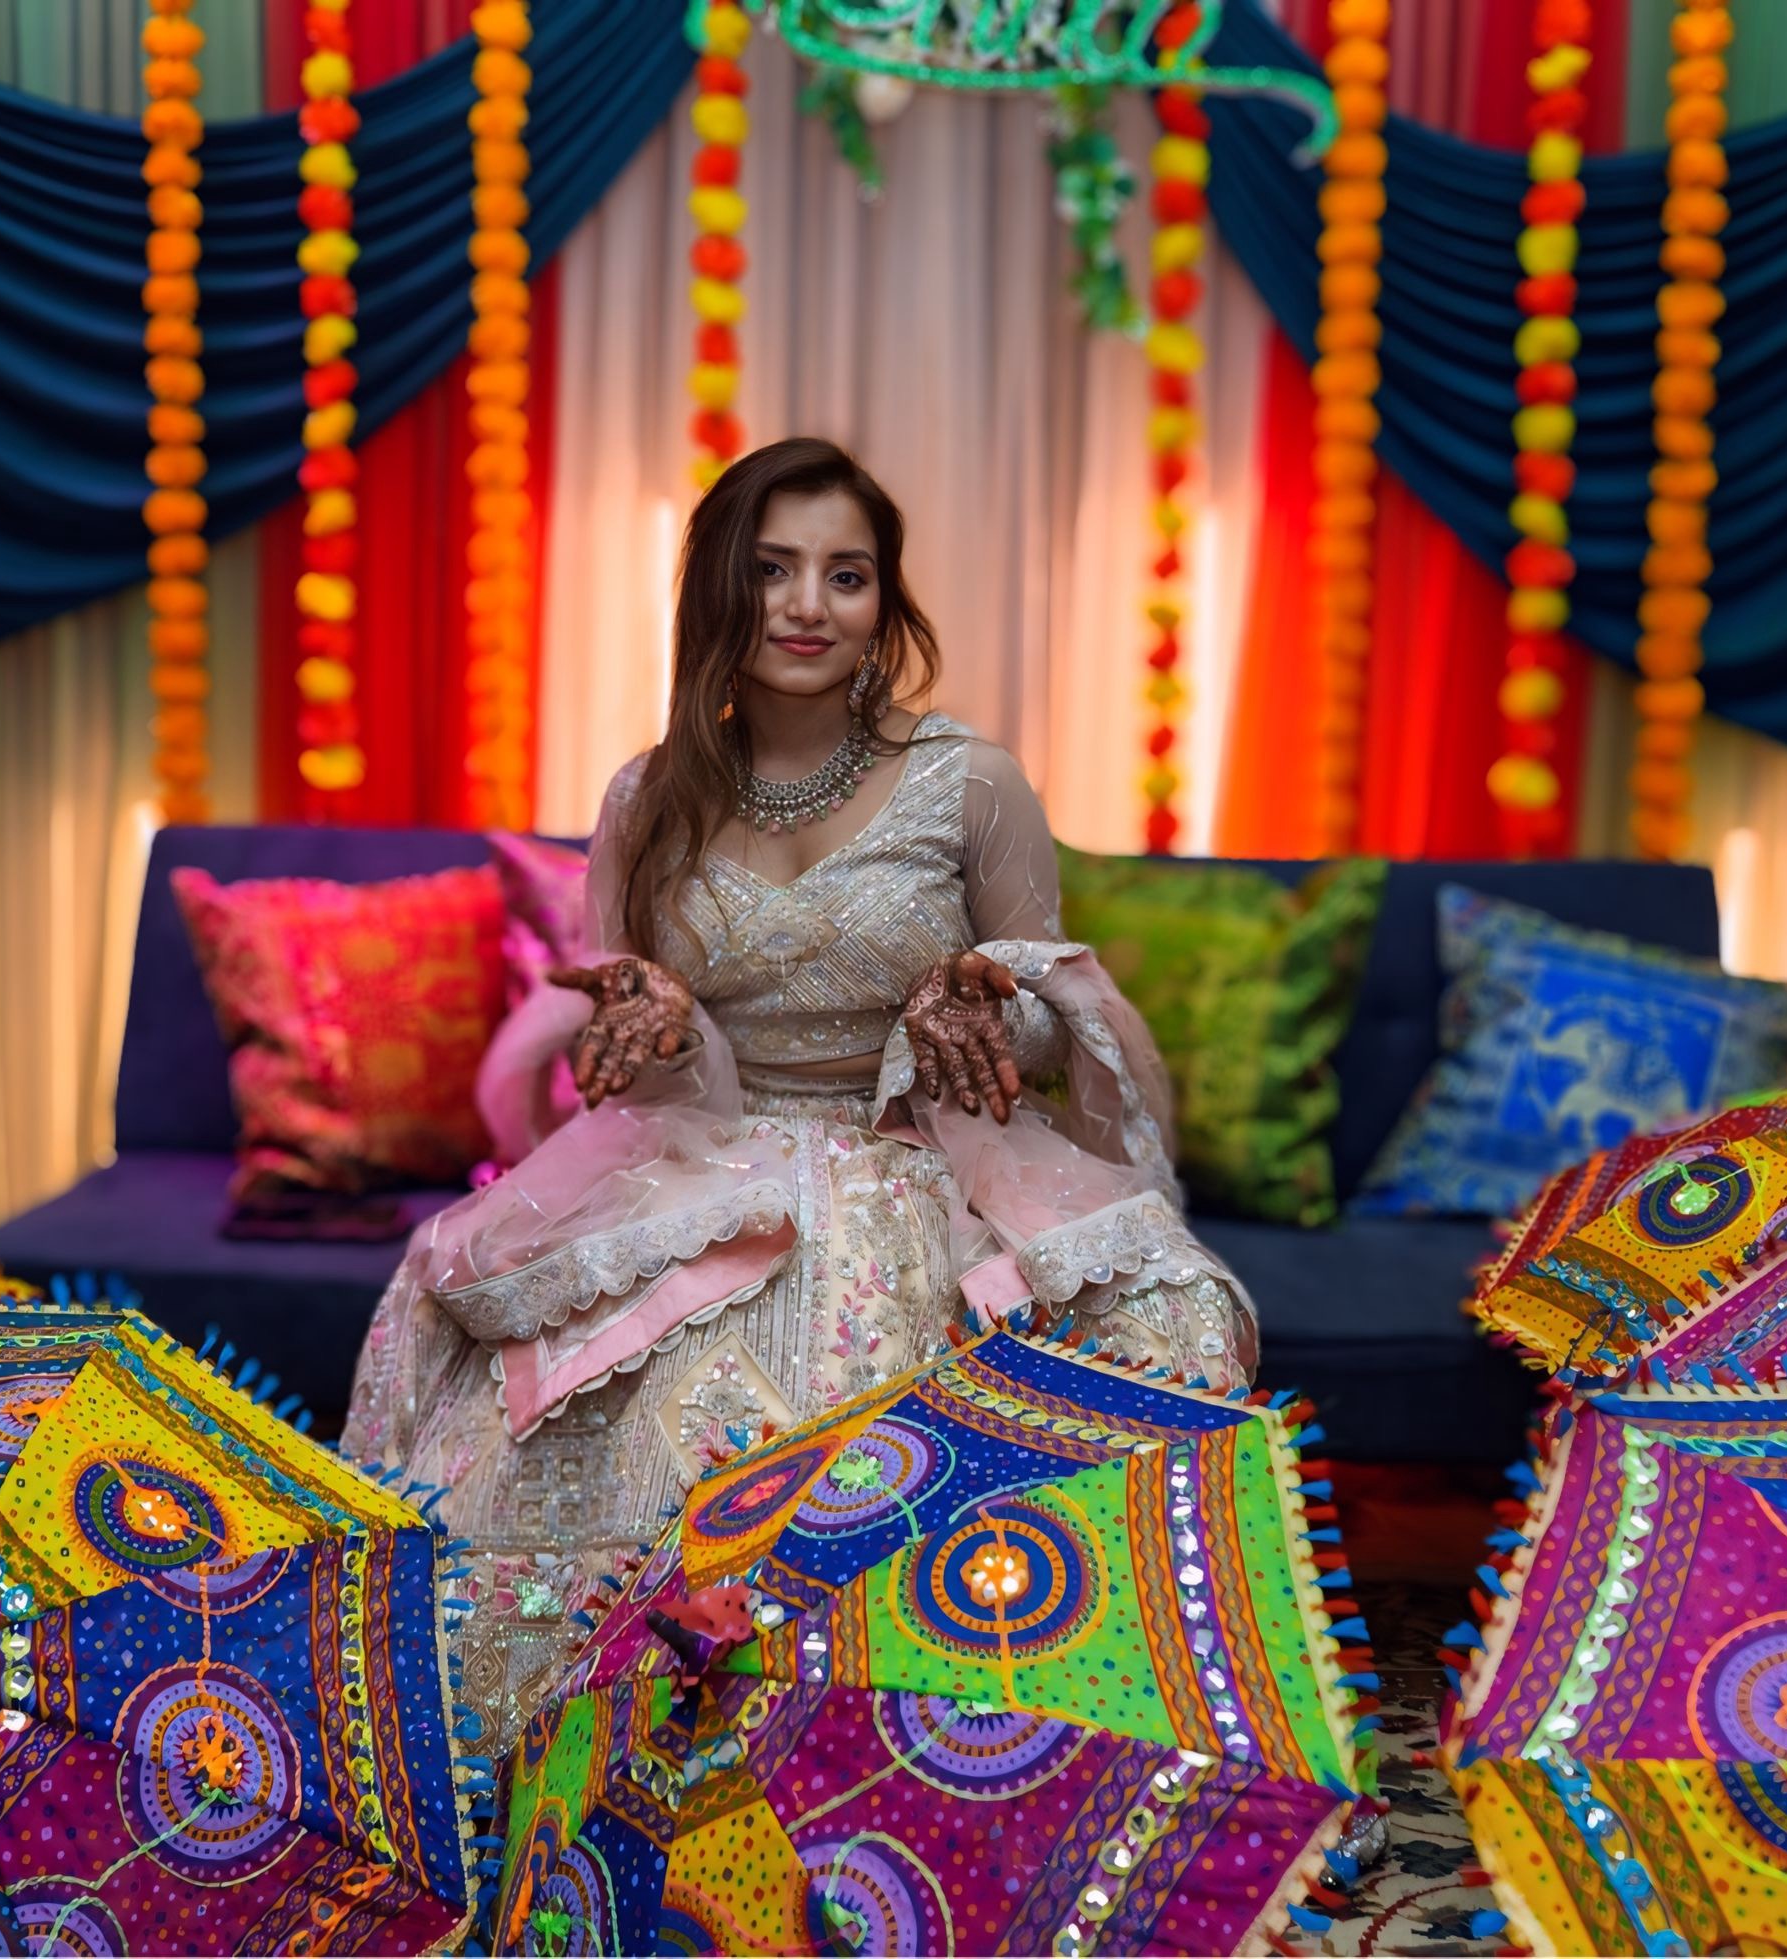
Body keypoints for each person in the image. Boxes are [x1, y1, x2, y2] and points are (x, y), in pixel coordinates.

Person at [341, 437, 1255, 1745]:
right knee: (578, 1379)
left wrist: (980, 994)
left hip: (924, 1162)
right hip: (704, 1168)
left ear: (886, 605)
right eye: (773, 570)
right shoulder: (648, 797)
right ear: (721, 586)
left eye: (846, 574)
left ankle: (969, 1744)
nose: (809, 605)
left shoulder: (971, 784)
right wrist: (655, 1019)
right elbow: (642, 1054)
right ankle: (585, 1750)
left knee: (1160, 1324)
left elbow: (1054, 1012)